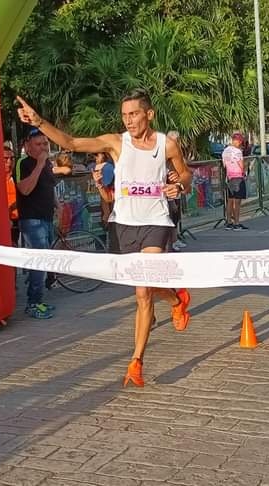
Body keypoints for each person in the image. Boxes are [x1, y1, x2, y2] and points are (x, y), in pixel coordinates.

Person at [17, 89, 192, 387]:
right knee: (143, 287)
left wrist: (179, 186)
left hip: (156, 221)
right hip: (123, 223)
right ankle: (176, 298)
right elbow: (71, 142)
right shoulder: (115, 142)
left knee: (142, 292)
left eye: (134, 114)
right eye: (125, 115)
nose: (129, 121)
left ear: (149, 114)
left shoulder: (167, 144)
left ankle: (136, 362)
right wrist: (40, 122)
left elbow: (185, 174)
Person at [13, 129, 58, 319]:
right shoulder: (23, 163)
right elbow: (24, 189)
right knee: (38, 261)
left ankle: (38, 299)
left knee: (44, 260)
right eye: (38, 144)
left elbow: (50, 187)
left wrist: (59, 206)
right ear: (28, 145)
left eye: (45, 144)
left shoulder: (47, 163)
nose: (43, 148)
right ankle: (33, 303)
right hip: (32, 219)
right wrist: (39, 165)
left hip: (47, 217)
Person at [222, 133, 248, 231]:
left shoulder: (225, 151)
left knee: (230, 201)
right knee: (237, 202)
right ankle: (237, 223)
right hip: (238, 176)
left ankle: (229, 222)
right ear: (236, 140)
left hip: (229, 176)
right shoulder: (237, 151)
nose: (241, 143)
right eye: (240, 141)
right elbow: (241, 165)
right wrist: (245, 170)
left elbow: (224, 165)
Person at [3, 143, 20, 247]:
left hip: (20, 220)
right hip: (6, 221)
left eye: (12, 159)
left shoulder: (17, 177)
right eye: (5, 159)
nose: (9, 162)